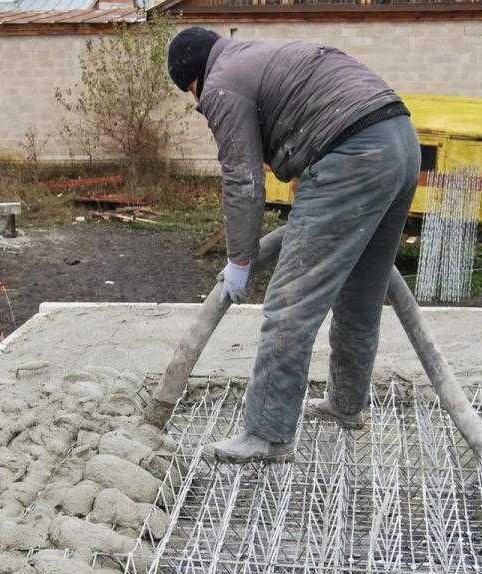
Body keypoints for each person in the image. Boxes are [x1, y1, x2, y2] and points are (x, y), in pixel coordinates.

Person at [167, 27, 421, 464]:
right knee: (362, 294)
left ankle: (267, 434)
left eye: (194, 97)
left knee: (289, 303)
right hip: (400, 145)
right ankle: (345, 405)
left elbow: (243, 180)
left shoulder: (221, 83)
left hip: (353, 158)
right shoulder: (257, 56)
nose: (199, 106)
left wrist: (240, 259)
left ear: (194, 81)